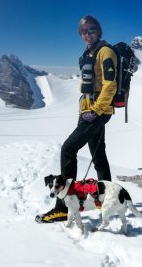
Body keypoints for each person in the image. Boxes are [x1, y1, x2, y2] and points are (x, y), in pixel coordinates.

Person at [35, 15, 117, 223]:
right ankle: (109, 198)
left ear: (99, 31)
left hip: (97, 113)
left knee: (68, 150)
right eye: (83, 31)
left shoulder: (105, 52)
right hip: (90, 112)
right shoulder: (90, 52)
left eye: (91, 30)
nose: (87, 34)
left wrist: (96, 111)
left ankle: (63, 207)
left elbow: (110, 85)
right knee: (98, 155)